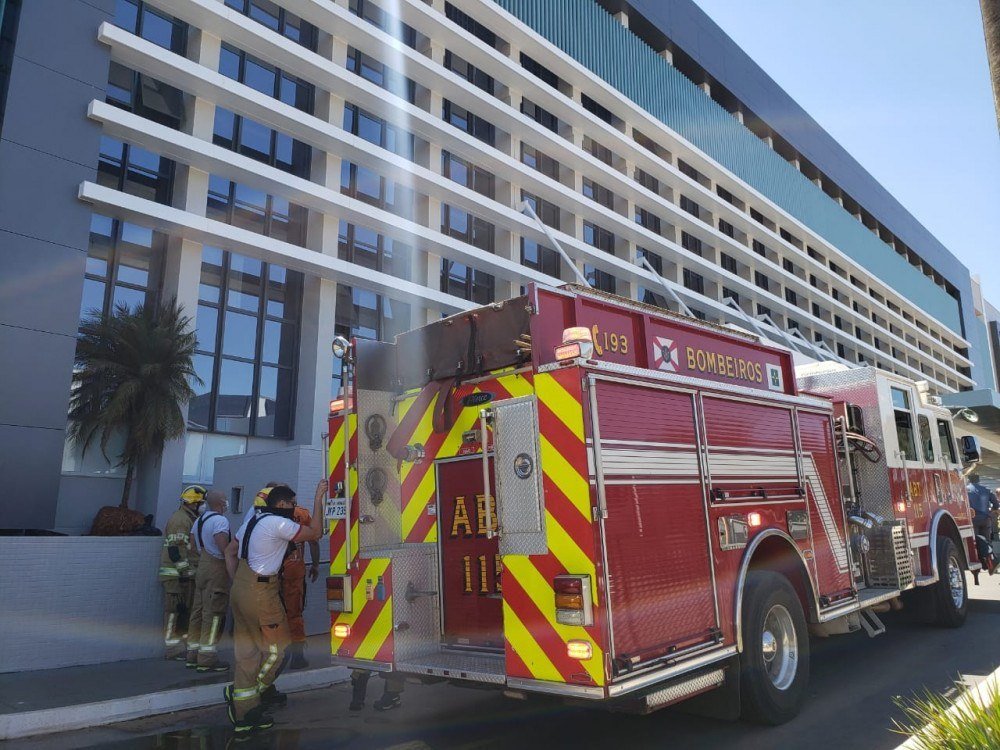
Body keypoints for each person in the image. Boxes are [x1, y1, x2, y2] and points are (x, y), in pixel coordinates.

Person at [223, 480, 327, 735]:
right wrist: (318, 497)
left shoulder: (253, 521)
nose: (294, 508)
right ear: (281, 504)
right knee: (277, 651)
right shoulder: (277, 523)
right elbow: (315, 533)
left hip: (242, 585)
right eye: (292, 504)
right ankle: (243, 699)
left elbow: (229, 551)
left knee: (247, 652)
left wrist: (238, 582)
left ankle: (244, 711)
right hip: (262, 592)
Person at [186, 490, 232, 672]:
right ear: (221, 503)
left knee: (197, 611)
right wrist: (232, 571)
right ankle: (207, 657)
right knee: (213, 614)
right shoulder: (220, 521)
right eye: (226, 500)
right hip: (216, 569)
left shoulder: (199, 520)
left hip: (202, 566)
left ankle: (192, 654)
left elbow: (191, 543)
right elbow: (225, 549)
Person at [158, 485, 205, 660]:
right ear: (193, 503)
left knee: (185, 612)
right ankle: (172, 649)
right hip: (175, 577)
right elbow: (175, 551)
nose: (203, 506)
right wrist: (185, 573)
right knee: (173, 612)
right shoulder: (181, 520)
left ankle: (183, 646)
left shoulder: (189, 518)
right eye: (201, 502)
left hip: (184, 576)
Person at [282, 496, 320, 670]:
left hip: (270, 574)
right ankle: (297, 656)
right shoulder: (302, 515)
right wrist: (316, 564)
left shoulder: (265, 517)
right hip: (295, 573)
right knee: (295, 614)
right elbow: (314, 540)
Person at [967, 473, 998, 574]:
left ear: (969, 480)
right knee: (987, 542)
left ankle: (978, 566)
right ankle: (991, 563)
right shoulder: (987, 489)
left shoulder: (966, 490)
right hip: (986, 519)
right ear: (978, 480)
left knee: (976, 543)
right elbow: (996, 505)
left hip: (973, 520)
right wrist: (990, 511)